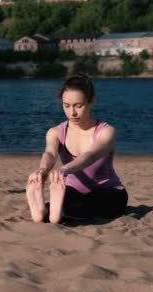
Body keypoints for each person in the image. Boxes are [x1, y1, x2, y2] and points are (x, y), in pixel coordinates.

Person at [25, 74, 128, 224]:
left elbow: (90, 155)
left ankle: (54, 214)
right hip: (74, 191)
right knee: (62, 209)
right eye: (66, 106)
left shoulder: (106, 132)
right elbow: (50, 153)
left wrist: (64, 170)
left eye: (78, 106)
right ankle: (43, 211)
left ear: (91, 102)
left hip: (108, 191)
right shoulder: (55, 132)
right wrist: (43, 169)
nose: (72, 112)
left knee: (84, 209)